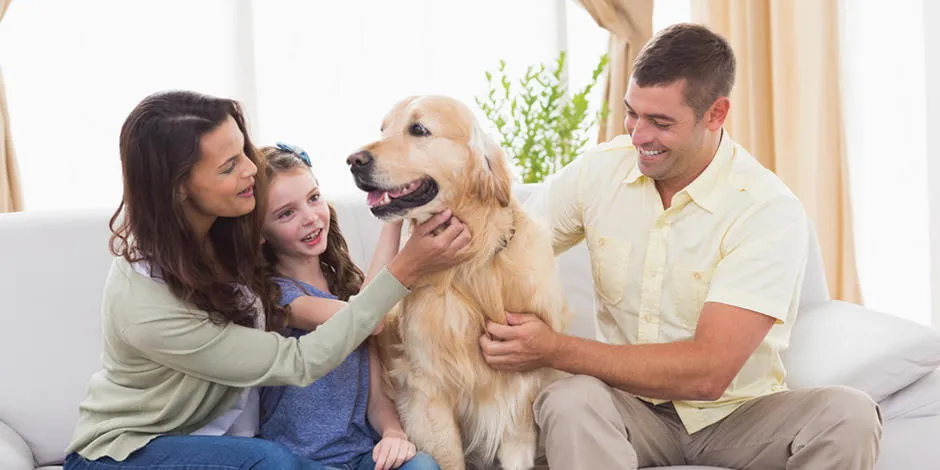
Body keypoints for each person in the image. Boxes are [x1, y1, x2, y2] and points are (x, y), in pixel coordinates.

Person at [478, 23, 883, 470]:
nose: (637, 135)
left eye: (661, 122)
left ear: (715, 114)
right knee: (570, 400)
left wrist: (553, 347)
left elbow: (708, 372)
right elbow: (504, 243)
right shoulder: (599, 172)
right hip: (625, 411)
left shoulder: (766, 209)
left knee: (850, 415)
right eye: (632, 113)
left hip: (737, 416)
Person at [63, 90, 470, 470]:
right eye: (229, 166)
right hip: (127, 451)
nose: (249, 170)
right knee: (271, 463)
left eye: (243, 150)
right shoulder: (147, 303)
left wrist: (396, 204)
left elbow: (361, 313)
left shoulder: (226, 235)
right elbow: (300, 360)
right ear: (180, 190)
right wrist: (408, 265)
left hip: (232, 442)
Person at [256, 143, 440, 470]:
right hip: (298, 462)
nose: (310, 218)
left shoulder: (349, 289)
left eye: (313, 198)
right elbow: (368, 319)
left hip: (360, 458)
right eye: (286, 213)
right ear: (260, 234)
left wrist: (394, 434)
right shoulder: (278, 298)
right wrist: (392, 219)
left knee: (421, 465)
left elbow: (375, 399)